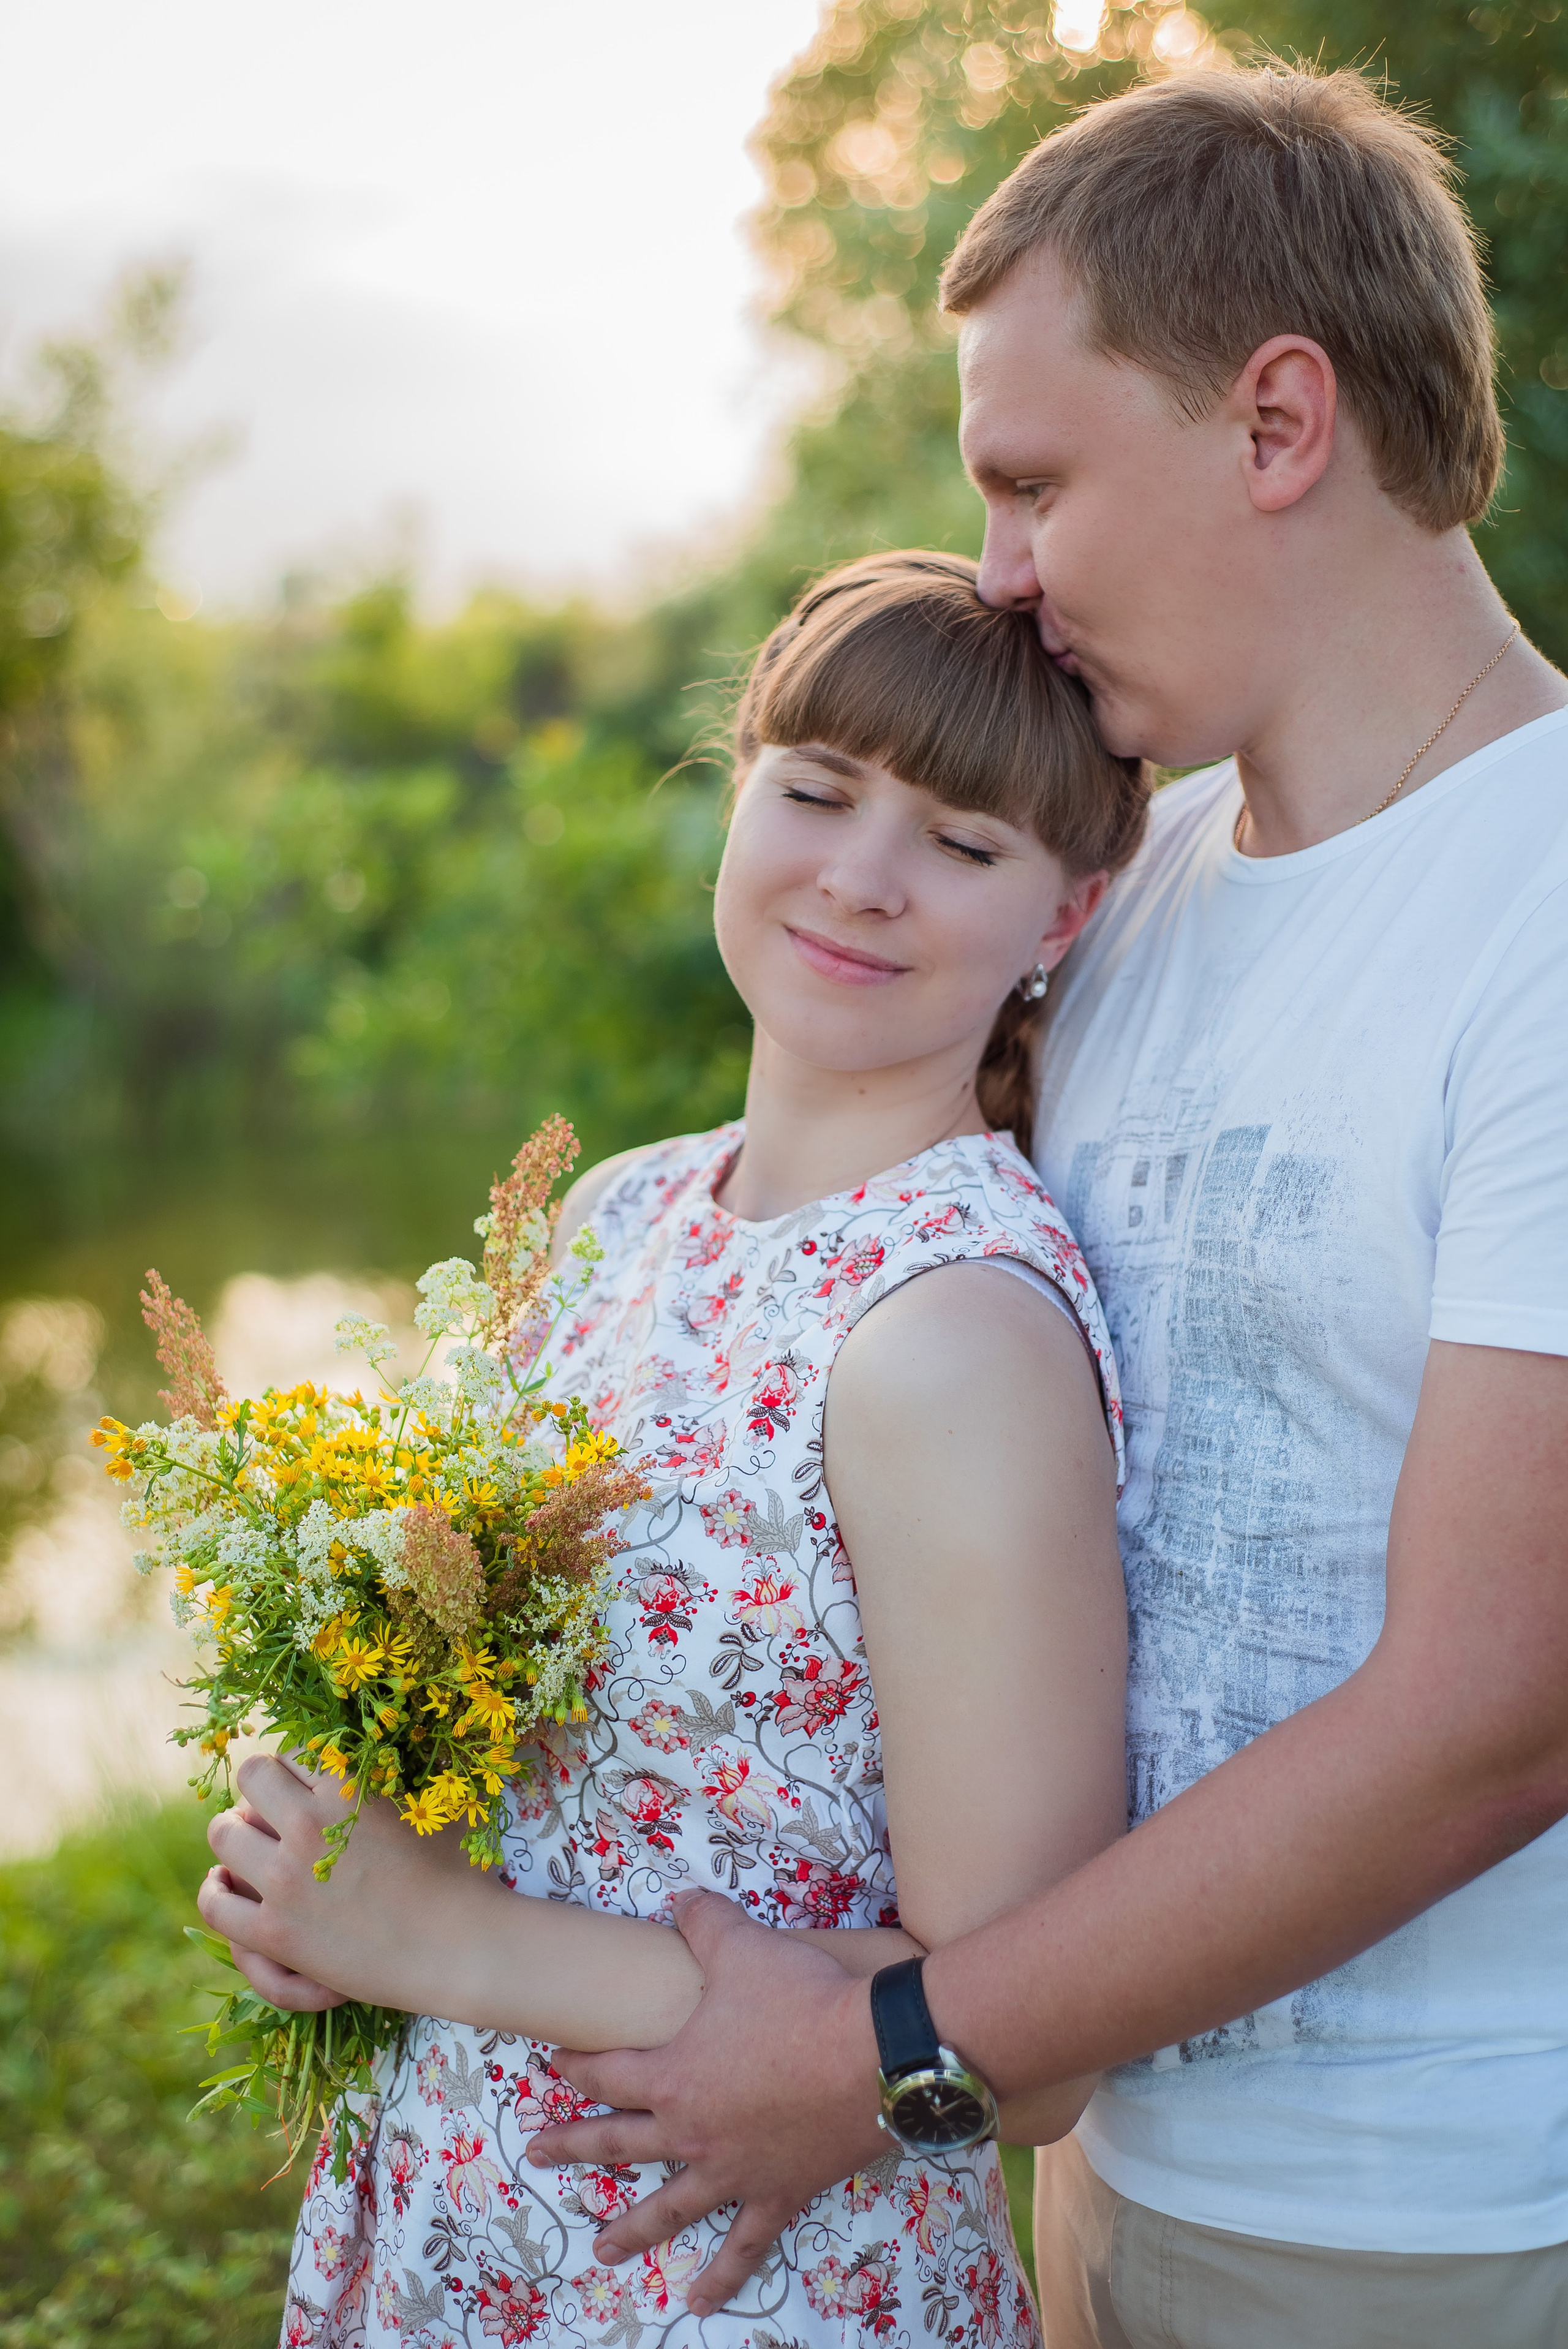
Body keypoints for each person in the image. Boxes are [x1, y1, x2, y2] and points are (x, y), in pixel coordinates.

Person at [494, 64, 1568, 2349]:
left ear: (1278, 422)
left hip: (1461, 2214)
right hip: (1085, 2175)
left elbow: (1505, 1702)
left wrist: (891, 2042)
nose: (994, 569)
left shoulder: (1548, 908)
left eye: (1033, 481)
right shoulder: (1138, 890)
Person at [199, 550, 1150, 2347]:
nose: (862, 879)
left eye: (961, 844)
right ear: (738, 792)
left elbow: (1028, 2034)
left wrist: (439, 1941)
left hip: (740, 2288)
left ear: (1066, 914)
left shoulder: (951, 1333)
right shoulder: (625, 1214)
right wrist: (320, 1853)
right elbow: (518, 1733)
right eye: (817, 792)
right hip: (462, 2228)